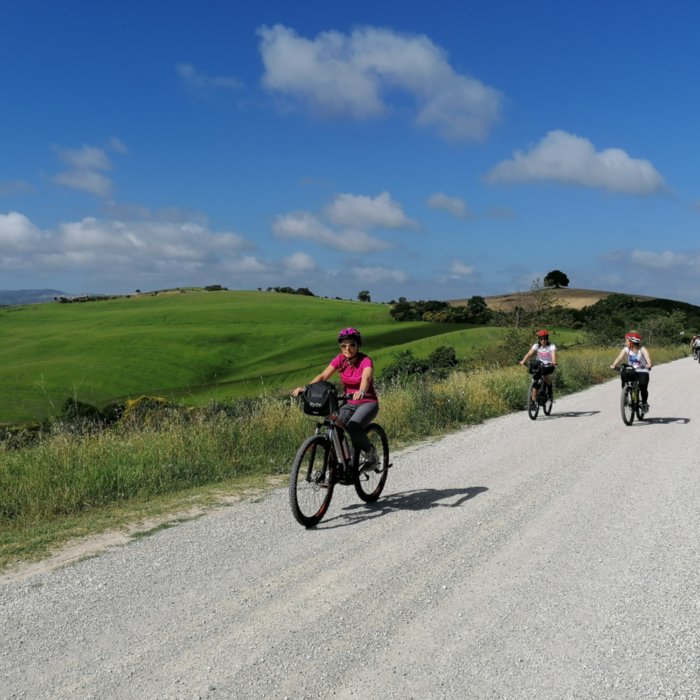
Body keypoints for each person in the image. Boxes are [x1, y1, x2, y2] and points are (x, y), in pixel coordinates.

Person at [292, 327, 379, 470]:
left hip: (367, 402)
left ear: (358, 345)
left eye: (352, 345)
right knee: (335, 426)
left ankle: (371, 454)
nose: (347, 349)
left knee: (353, 427)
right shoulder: (340, 359)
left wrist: (362, 390)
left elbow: (366, 376)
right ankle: (347, 460)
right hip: (348, 401)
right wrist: (306, 388)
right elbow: (323, 376)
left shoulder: (365, 360)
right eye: (343, 346)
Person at [610, 331, 653, 413]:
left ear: (632, 342)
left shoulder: (642, 349)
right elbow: (619, 358)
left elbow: (648, 359)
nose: (625, 342)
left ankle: (644, 403)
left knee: (643, 387)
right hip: (631, 370)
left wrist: (649, 365)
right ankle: (626, 395)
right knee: (624, 378)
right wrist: (614, 365)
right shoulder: (626, 349)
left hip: (642, 370)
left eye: (627, 341)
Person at [519, 329, 557, 405]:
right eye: (541, 339)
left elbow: (553, 354)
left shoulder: (551, 346)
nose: (543, 341)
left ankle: (550, 396)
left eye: (545, 339)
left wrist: (553, 361)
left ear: (547, 338)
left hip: (548, 365)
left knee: (547, 378)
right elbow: (529, 354)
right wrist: (523, 361)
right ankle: (533, 402)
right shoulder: (536, 346)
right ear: (539, 339)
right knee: (536, 382)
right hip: (539, 366)